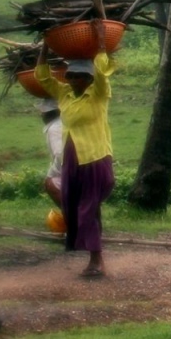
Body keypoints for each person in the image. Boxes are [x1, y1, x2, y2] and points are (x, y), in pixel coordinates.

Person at [32, 51, 115, 278]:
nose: (73, 80)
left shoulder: (98, 94)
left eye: (79, 76)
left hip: (95, 159)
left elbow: (103, 70)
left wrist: (100, 42)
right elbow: (42, 77)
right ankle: (92, 254)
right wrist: (46, 47)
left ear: (89, 79)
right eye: (70, 75)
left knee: (87, 209)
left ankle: (96, 260)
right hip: (72, 160)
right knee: (72, 206)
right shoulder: (64, 94)